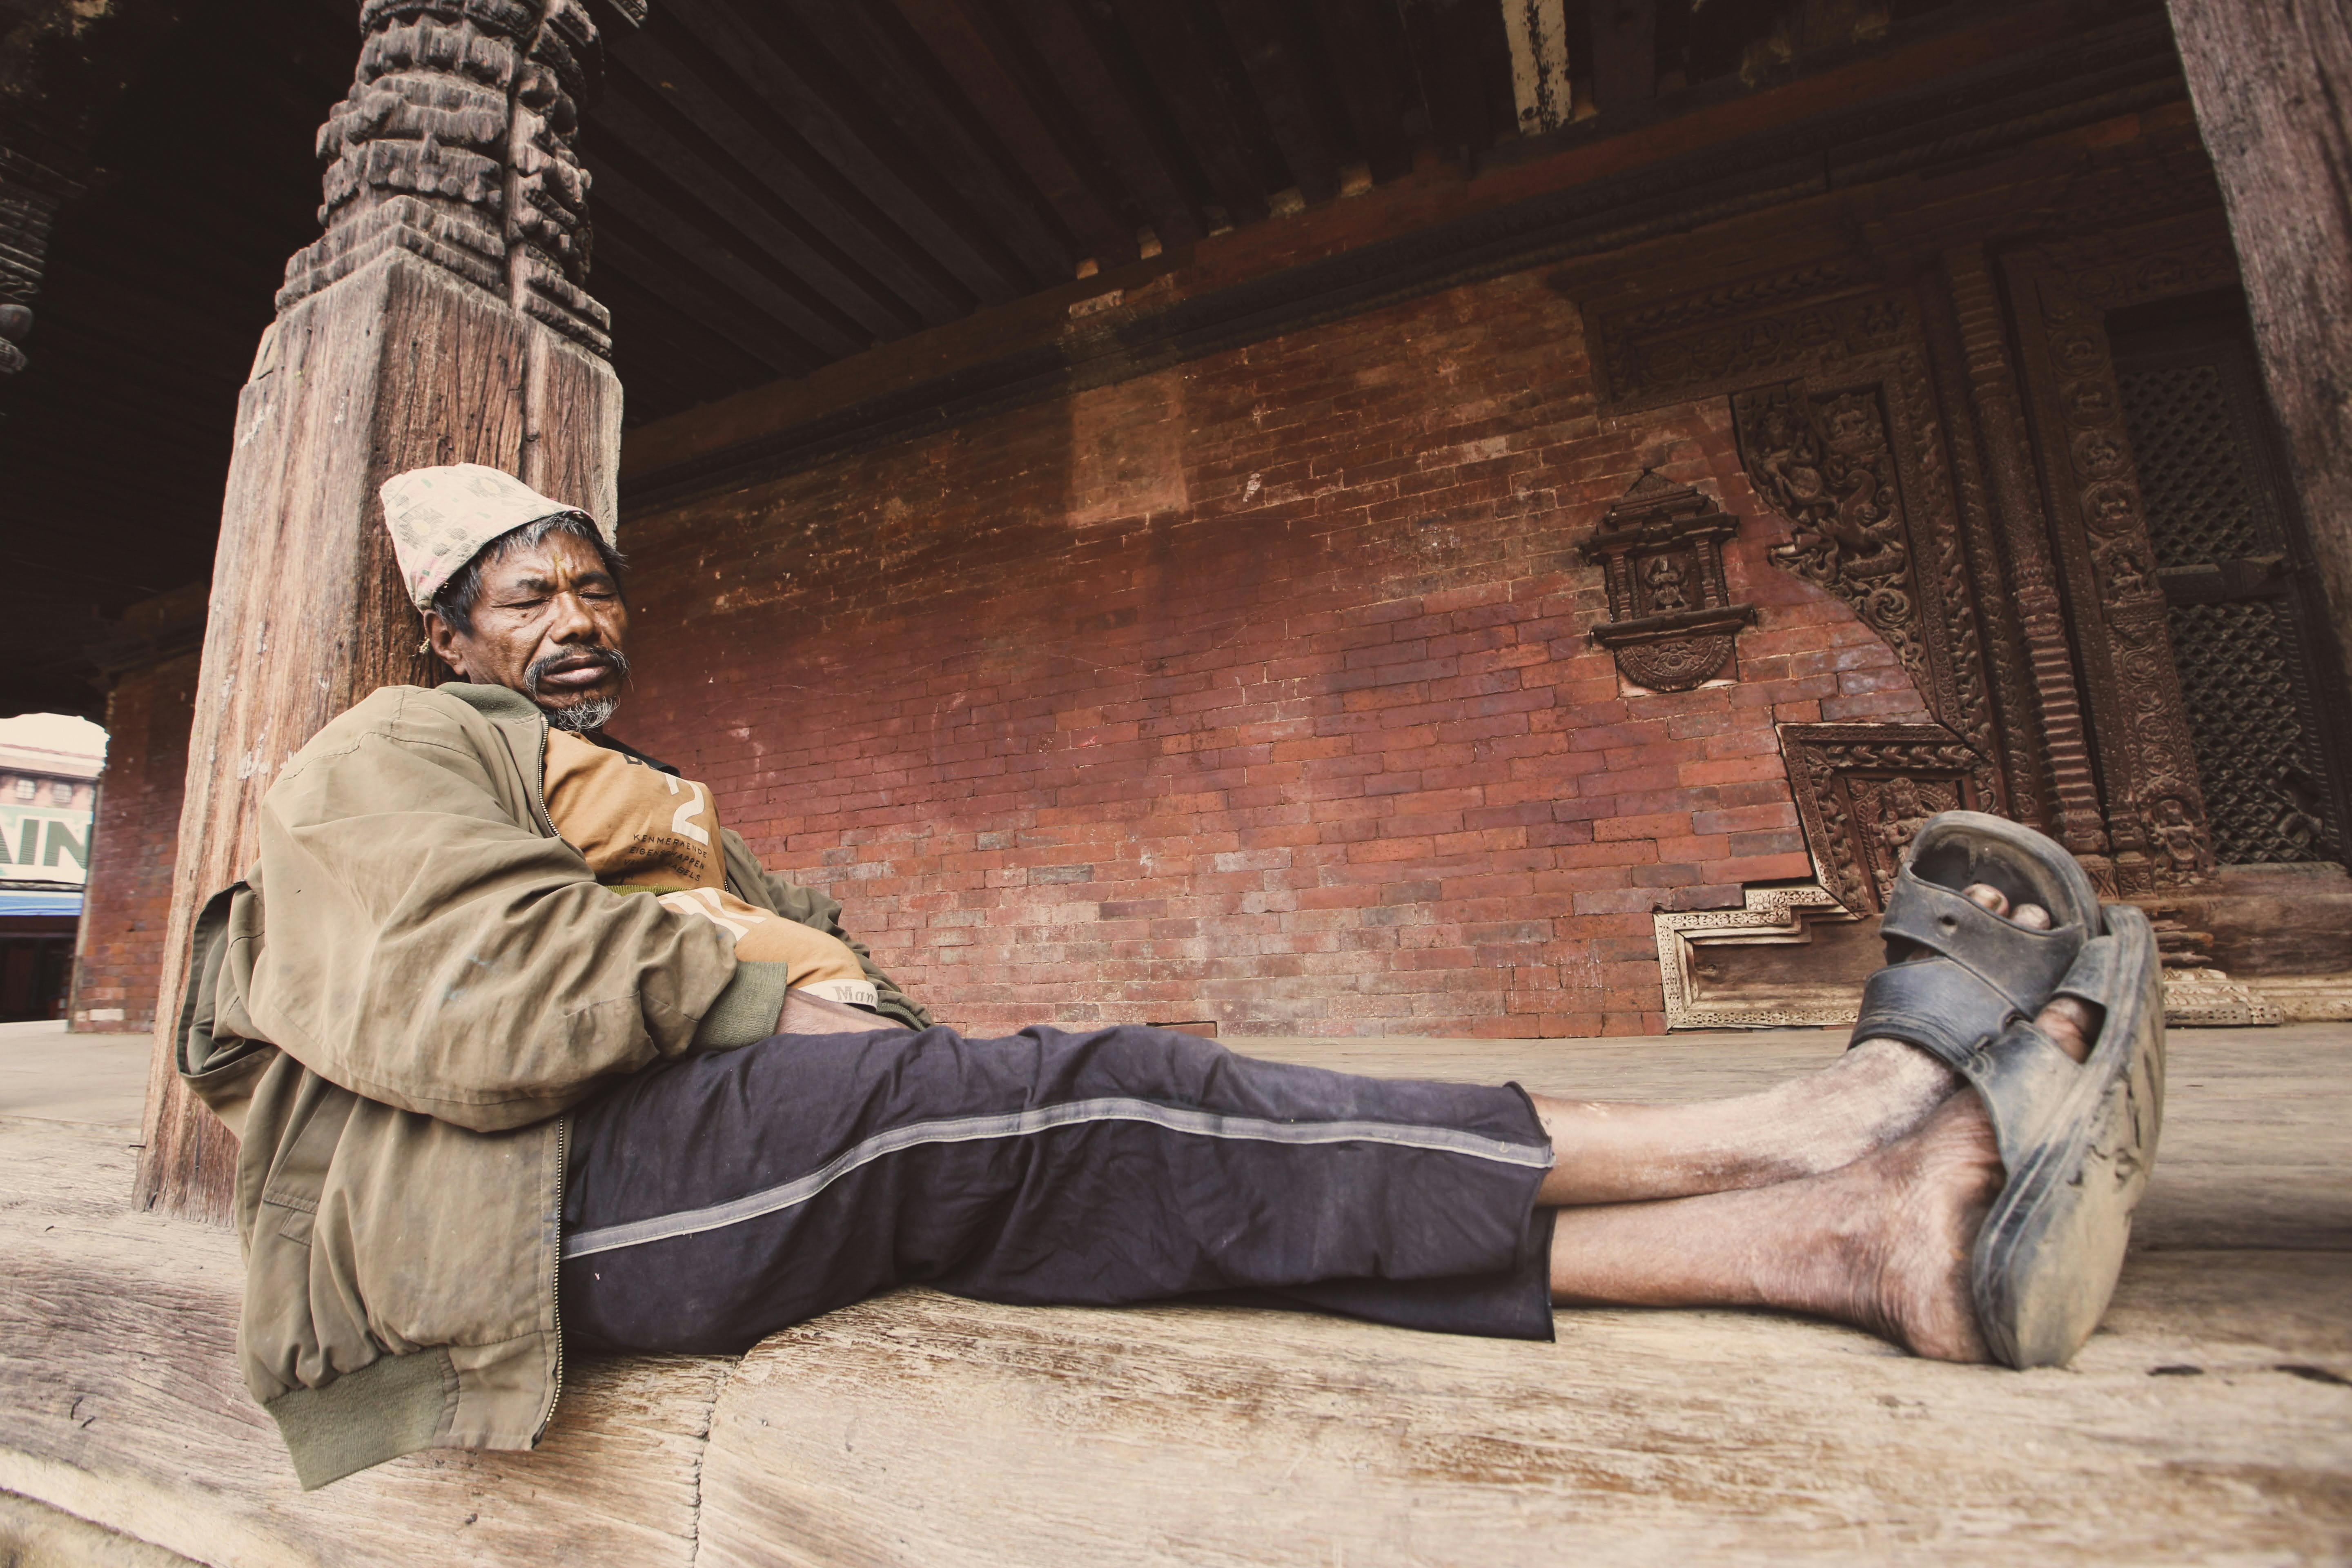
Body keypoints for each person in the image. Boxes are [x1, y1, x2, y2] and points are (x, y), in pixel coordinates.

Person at [175, 466, 2164, 1491]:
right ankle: (1819, 1125)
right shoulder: (391, 755)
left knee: (1139, 1158)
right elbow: (452, 986)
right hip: (517, 1214)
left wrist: (817, 989)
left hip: (659, 1162)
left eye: (599, 584)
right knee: (1096, 1094)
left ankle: (1844, 1243)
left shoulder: (672, 810)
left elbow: (828, 983)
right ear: (447, 629)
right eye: (528, 595)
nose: (581, 618)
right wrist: (761, 993)